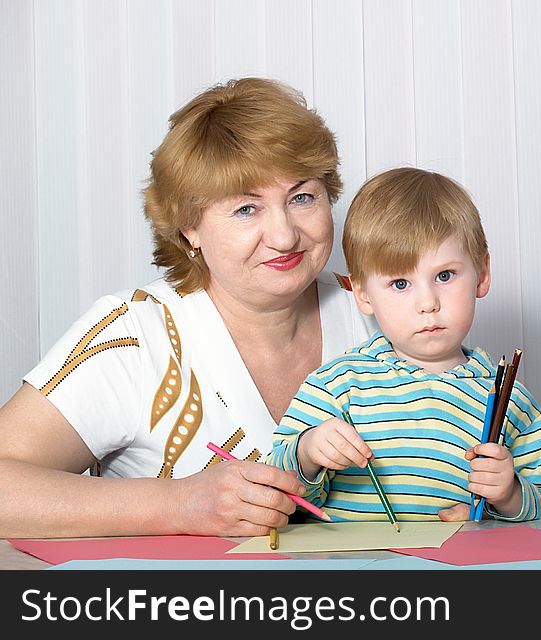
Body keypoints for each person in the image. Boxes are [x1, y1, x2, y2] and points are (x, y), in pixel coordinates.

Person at [0, 77, 376, 538]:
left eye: (302, 198)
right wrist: (180, 505)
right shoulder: (133, 334)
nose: (284, 235)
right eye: (245, 209)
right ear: (188, 231)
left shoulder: (380, 309)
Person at [268, 167, 541, 522]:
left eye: (444, 276)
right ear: (362, 294)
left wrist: (511, 496)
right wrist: (309, 452)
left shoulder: (509, 399)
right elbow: (279, 487)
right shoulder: (338, 384)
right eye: (399, 284)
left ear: (482, 275)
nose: (427, 303)